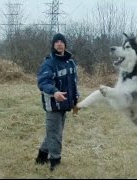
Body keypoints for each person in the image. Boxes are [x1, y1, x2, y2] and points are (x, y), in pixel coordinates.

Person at [35, 33, 79, 171]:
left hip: (65, 104)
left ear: (65, 44)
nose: (59, 44)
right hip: (53, 105)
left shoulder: (70, 62)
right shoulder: (49, 63)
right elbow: (43, 82)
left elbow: (73, 83)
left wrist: (75, 98)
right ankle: (55, 162)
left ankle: (41, 156)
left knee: (54, 132)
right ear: (53, 45)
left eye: (62, 41)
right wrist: (54, 92)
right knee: (56, 134)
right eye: (56, 42)